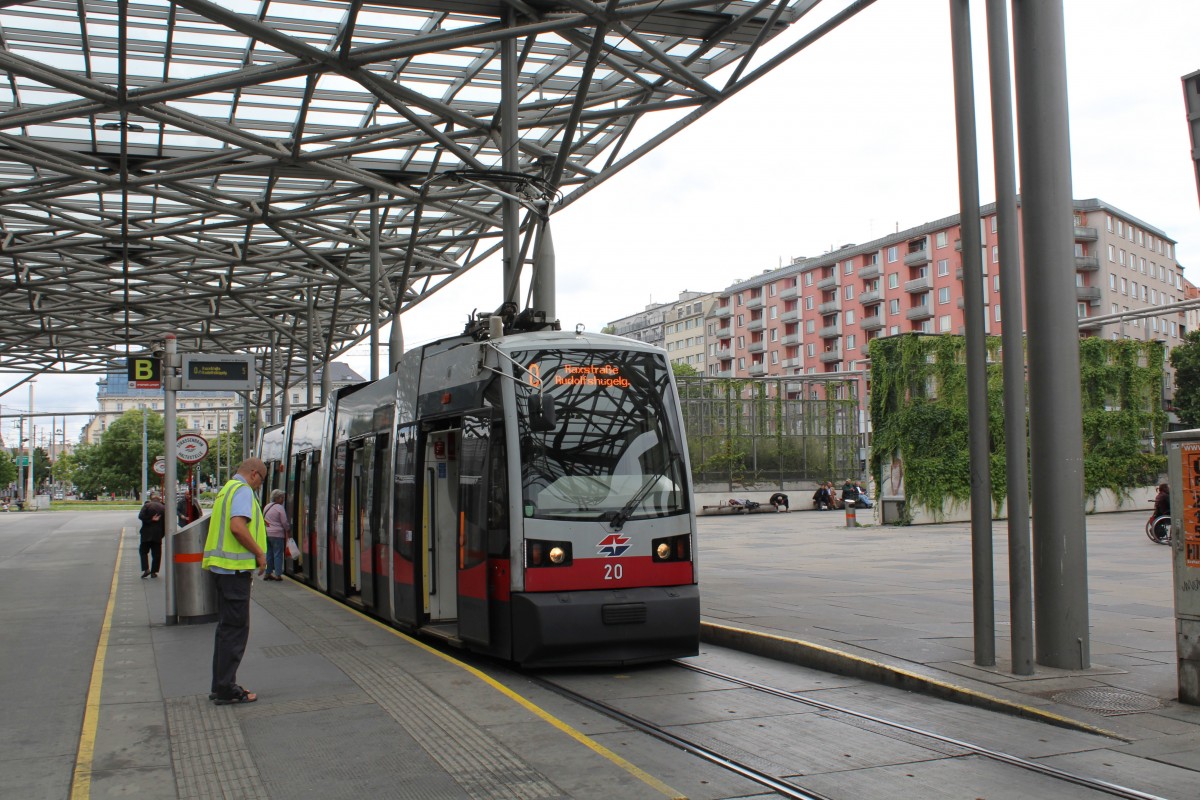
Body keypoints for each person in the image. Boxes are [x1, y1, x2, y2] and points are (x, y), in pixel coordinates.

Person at [203, 457, 268, 705]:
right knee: (235, 631)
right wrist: (260, 553)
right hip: (234, 572)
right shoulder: (242, 491)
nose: (259, 486)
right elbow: (238, 528)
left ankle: (219, 685)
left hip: (223, 571)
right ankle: (226, 689)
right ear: (254, 474)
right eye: (260, 480)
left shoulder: (226, 490)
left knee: (225, 630)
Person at [137, 492, 166, 578]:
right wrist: (162, 534)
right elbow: (165, 523)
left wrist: (150, 519)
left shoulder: (147, 506)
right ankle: (154, 572)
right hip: (157, 534)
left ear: (151, 500)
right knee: (157, 554)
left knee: (143, 552)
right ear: (159, 500)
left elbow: (140, 516)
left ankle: (146, 569)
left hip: (146, 533)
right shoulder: (163, 508)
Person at [262, 489, 289, 581]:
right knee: (278, 554)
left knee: (269, 554)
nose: (283, 500)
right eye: (282, 498)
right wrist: (288, 529)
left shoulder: (266, 507)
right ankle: (278, 574)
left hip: (267, 534)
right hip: (277, 535)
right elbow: (284, 522)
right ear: (277, 498)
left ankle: (268, 573)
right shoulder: (279, 508)